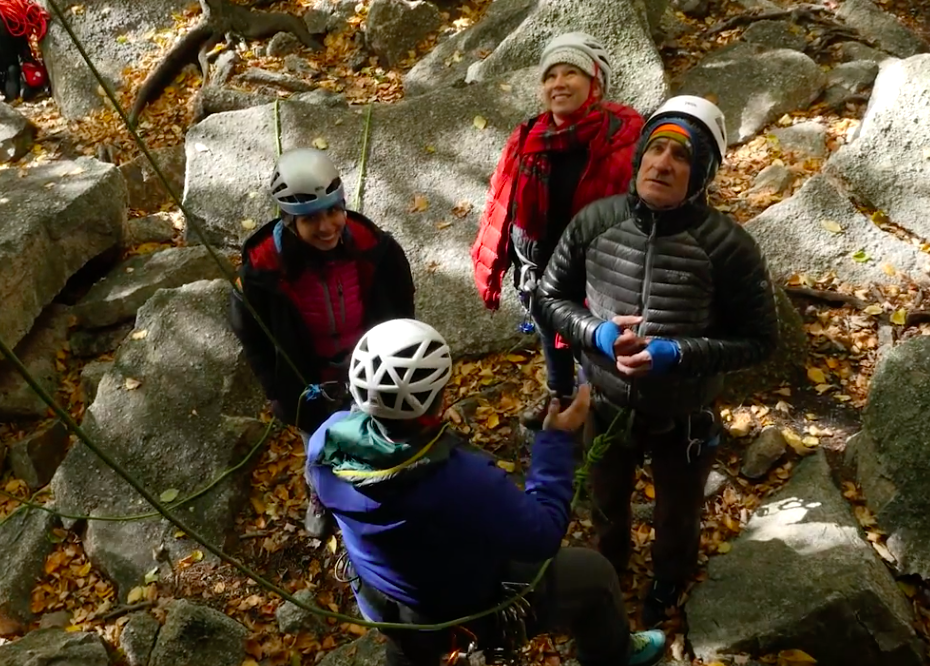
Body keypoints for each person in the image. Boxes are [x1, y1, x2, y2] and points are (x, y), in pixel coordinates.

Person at [536, 95, 779, 627]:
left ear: (703, 173)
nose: (663, 163)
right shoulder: (595, 221)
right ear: (640, 155)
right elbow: (548, 297)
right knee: (605, 500)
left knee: (678, 514)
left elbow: (761, 340)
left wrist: (680, 354)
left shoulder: (729, 247)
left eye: (682, 156)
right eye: (656, 148)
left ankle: (667, 583)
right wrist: (595, 333)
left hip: (684, 416)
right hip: (604, 400)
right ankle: (609, 569)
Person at [305, 318, 667, 666]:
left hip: (384, 598)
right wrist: (555, 442)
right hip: (464, 606)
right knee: (594, 575)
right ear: (439, 398)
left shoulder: (327, 440)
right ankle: (613, 654)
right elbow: (542, 535)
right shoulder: (460, 480)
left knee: (411, 646)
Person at [230, 147, 415, 531]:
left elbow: (401, 306)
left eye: (334, 211)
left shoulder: (374, 248)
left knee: (379, 431)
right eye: (311, 219)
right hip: (307, 378)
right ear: (289, 220)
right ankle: (322, 495)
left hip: (369, 367)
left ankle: (379, 489)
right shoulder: (263, 273)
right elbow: (254, 338)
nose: (328, 226)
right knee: (318, 445)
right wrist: (278, 391)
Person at [471, 32, 644, 429]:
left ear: (595, 84)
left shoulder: (624, 137)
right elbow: (501, 202)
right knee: (550, 333)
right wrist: (492, 264)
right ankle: (559, 395)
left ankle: (595, 405)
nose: (558, 84)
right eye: (550, 76)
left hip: (596, 268)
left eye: (571, 73)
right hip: (537, 265)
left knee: (593, 340)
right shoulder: (527, 136)